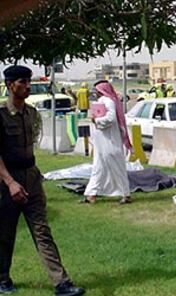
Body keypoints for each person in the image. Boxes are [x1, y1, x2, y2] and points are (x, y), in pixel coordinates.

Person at [0, 66, 85, 296]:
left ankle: (61, 283)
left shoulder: (30, 113)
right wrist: (10, 183)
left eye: (29, 81)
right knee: (5, 234)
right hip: (7, 182)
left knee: (42, 231)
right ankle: (2, 279)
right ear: (9, 85)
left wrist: (34, 176)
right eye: (22, 82)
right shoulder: (1, 115)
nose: (27, 86)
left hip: (31, 177)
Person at [82, 80, 133, 205]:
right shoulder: (101, 101)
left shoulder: (109, 101)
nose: (96, 93)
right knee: (98, 168)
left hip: (110, 141)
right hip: (101, 141)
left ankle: (126, 194)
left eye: (97, 90)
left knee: (117, 167)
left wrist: (97, 120)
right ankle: (91, 194)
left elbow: (111, 118)